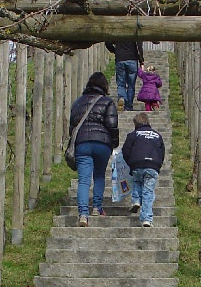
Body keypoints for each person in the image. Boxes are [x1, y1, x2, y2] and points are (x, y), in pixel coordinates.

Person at [69, 71, 119, 227]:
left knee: (83, 180)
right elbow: (112, 125)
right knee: (99, 176)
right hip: (102, 144)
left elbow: (72, 126)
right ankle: (97, 207)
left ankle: (83, 214)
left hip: (82, 144)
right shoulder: (107, 102)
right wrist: (114, 142)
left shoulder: (77, 103)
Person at [121, 111, 165, 228]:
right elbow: (162, 152)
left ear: (135, 124)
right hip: (152, 165)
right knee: (148, 192)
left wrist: (130, 163)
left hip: (137, 163)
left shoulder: (133, 135)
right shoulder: (157, 135)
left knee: (137, 181)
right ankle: (146, 219)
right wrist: (158, 165)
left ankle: (136, 200)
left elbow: (125, 151)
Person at [105, 38, 144, 111]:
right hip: (132, 60)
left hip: (120, 59)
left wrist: (115, 51)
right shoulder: (134, 32)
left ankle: (122, 97)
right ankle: (128, 106)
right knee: (131, 85)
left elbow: (107, 42)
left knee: (121, 83)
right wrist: (141, 61)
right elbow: (139, 47)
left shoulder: (117, 31)